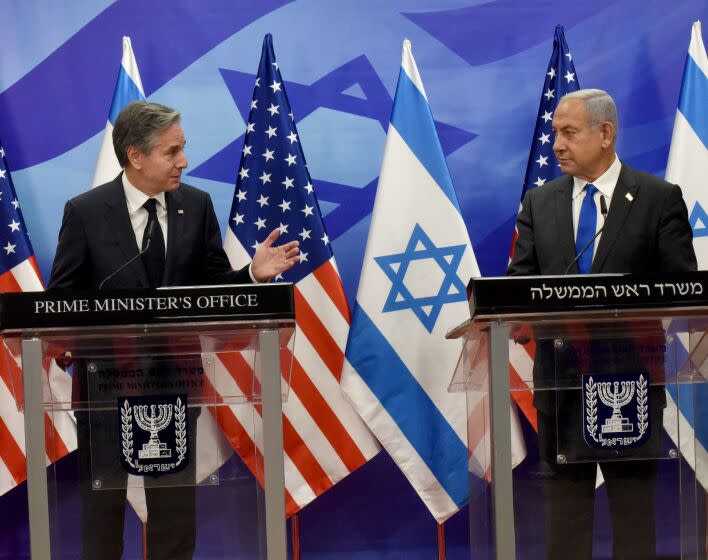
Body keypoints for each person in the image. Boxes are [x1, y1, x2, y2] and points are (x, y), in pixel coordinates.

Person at [48, 101, 299, 560]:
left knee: (175, 520)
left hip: (172, 388)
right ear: (135, 156)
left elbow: (212, 291)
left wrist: (251, 277)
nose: (184, 161)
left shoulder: (196, 205)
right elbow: (63, 297)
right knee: (101, 520)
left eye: (182, 150)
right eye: (172, 151)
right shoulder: (85, 212)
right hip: (104, 391)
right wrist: (67, 343)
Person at [508, 89, 696, 559]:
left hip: (630, 383)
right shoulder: (540, 202)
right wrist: (513, 318)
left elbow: (685, 288)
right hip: (561, 385)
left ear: (605, 134)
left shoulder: (657, 199)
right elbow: (518, 288)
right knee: (565, 525)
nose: (556, 144)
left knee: (634, 522)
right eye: (555, 133)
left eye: (568, 133)